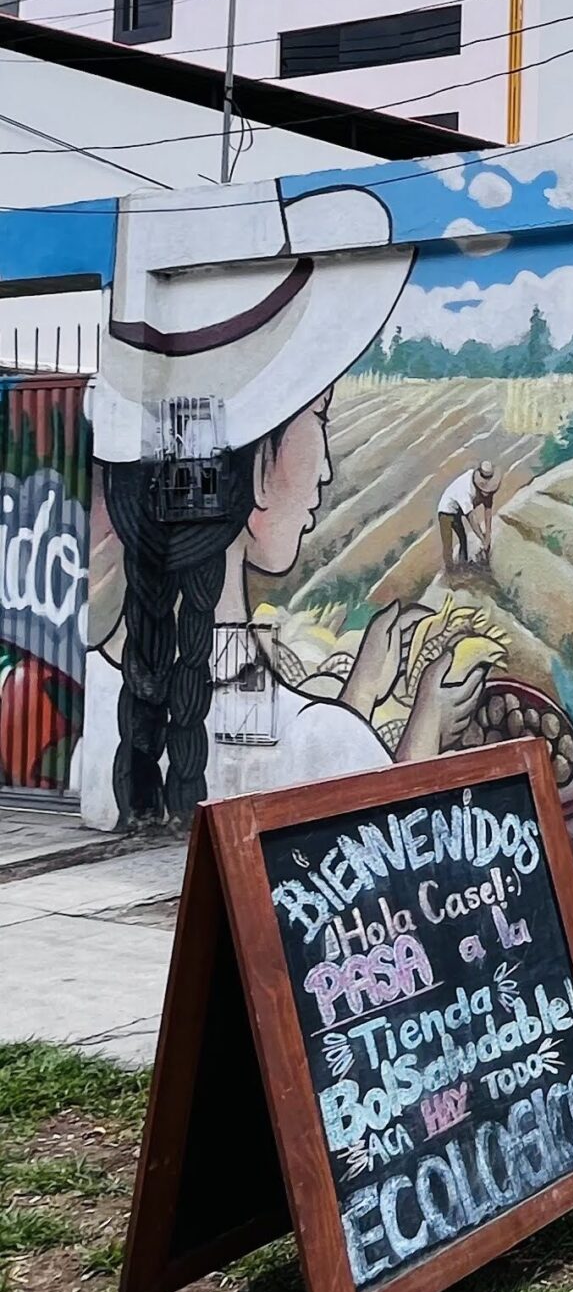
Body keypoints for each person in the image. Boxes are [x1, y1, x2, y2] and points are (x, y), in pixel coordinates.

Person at [76, 184, 488, 828]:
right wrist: (426, 722)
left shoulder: (99, 704)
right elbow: (388, 837)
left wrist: (359, 690)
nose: (326, 469)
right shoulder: (320, 739)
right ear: (260, 469)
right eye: (320, 418)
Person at [438, 458, 500, 574]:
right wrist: (482, 539)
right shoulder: (465, 490)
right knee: (448, 544)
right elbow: (471, 518)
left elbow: (488, 509)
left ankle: (463, 565)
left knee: (463, 538)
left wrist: (488, 534)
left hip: (459, 510)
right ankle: (451, 572)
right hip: (446, 510)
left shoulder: (486, 486)